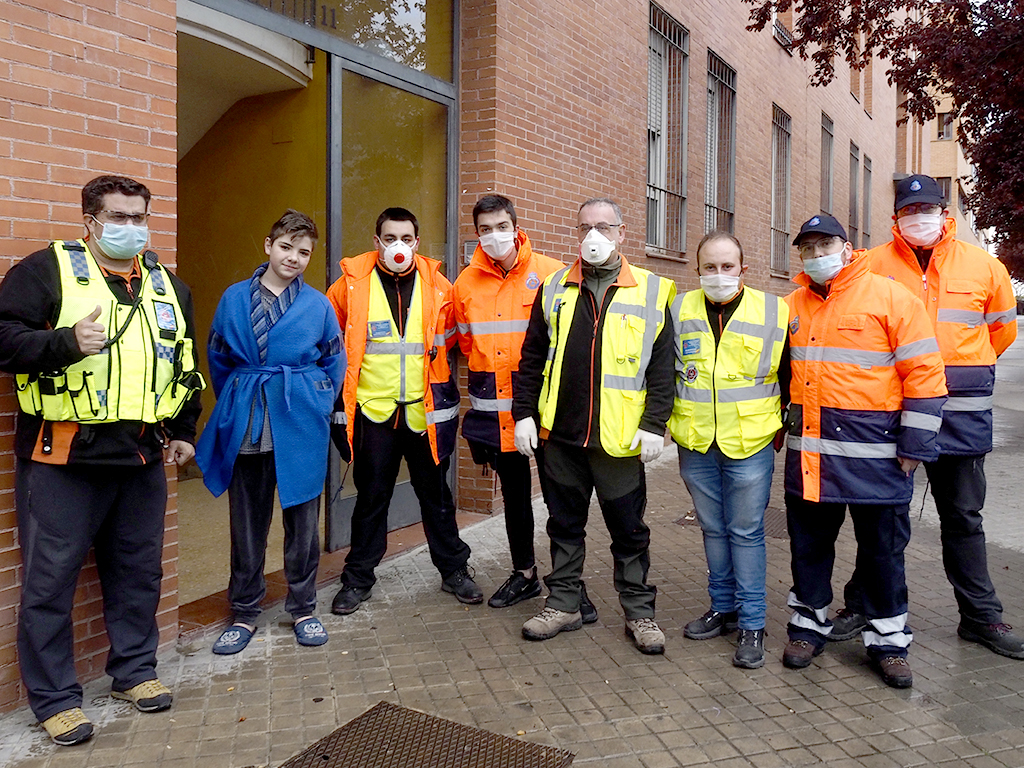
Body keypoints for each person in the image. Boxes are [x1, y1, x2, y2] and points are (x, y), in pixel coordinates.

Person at [0, 176, 205, 745]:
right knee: (51, 581)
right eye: (119, 217)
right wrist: (63, 342)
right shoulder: (44, 271)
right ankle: (55, 699)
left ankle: (134, 672)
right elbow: (2, 340)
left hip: (141, 455)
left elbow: (183, 366)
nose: (131, 228)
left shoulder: (169, 286)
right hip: (64, 455)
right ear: (89, 220)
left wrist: (184, 431)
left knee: (139, 571)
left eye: (140, 217)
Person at [830, 175, 1023, 659]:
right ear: (895, 217)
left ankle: (980, 618)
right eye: (910, 210)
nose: (920, 218)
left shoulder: (985, 266)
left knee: (962, 517)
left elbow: (1000, 332)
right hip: (894, 416)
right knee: (884, 519)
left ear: (944, 212)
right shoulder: (869, 265)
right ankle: (863, 606)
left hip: (960, 416)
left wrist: (954, 371)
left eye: (928, 208)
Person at [781, 214, 947, 688]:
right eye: (807, 248)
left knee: (883, 554)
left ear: (847, 245)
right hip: (812, 459)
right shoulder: (792, 305)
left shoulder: (892, 297)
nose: (816, 256)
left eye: (824, 245)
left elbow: (925, 374)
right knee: (809, 550)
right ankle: (807, 628)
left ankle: (889, 642)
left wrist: (916, 443)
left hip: (880, 458)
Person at [512, 198, 676, 655]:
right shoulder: (553, 288)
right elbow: (530, 359)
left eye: (603, 227)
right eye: (585, 227)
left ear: (623, 234)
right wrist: (523, 413)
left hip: (619, 441)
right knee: (564, 525)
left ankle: (640, 613)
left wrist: (653, 425)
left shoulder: (653, 290)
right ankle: (563, 603)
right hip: (560, 438)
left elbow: (663, 370)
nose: (593, 237)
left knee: (628, 529)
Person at [195, 211, 345, 654]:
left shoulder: (317, 304)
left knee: (302, 522)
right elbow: (219, 357)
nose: (294, 258)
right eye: (286, 247)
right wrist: (241, 395)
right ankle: (244, 611)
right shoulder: (233, 298)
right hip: (249, 416)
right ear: (268, 245)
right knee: (247, 522)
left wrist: (316, 399)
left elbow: (333, 361)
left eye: (304, 252)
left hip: (299, 414)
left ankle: (303, 607)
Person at [326, 207, 481, 615]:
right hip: (373, 413)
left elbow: (453, 345)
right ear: (376, 242)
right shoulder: (348, 287)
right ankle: (357, 579)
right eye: (390, 238)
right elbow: (332, 349)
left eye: (406, 239)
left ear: (417, 241)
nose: (399, 246)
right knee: (371, 499)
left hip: (421, 413)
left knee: (437, 498)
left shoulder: (439, 287)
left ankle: (454, 571)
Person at [670, 231, 789, 669]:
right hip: (696, 440)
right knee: (712, 529)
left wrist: (783, 428)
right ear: (697, 269)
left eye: (727, 267)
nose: (718, 275)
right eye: (710, 267)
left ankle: (753, 623)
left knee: (745, 531)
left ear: (744, 269)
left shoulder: (775, 310)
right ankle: (723, 608)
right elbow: (666, 372)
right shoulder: (678, 308)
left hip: (751, 442)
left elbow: (791, 375)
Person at [449, 195, 570, 608]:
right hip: (496, 411)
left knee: (561, 499)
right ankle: (525, 575)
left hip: (545, 406)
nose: (494, 236)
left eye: (502, 226)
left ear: (516, 226)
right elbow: (468, 345)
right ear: (477, 233)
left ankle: (569, 585)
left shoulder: (553, 274)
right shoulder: (465, 283)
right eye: (485, 229)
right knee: (516, 499)